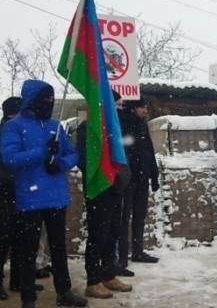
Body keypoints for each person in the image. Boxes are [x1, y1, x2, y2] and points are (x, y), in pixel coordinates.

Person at [0, 80, 87, 308]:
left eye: (51, 98)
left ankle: (64, 291)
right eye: (44, 98)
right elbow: (10, 158)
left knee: (59, 249)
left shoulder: (55, 126)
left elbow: (73, 154)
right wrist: (43, 151)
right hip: (29, 198)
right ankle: (28, 298)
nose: (49, 103)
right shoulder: (14, 126)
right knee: (28, 251)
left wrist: (59, 164)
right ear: (31, 99)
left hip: (57, 197)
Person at [77, 90, 132, 298]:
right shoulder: (88, 129)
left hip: (117, 190)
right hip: (99, 190)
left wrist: (124, 178)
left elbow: (123, 158)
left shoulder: (116, 130)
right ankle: (93, 281)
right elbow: (83, 160)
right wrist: (103, 176)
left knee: (113, 234)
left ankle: (109, 275)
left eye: (121, 106)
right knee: (97, 236)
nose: (120, 109)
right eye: (117, 105)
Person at [0, 97, 44, 300]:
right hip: (6, 194)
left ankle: (18, 279)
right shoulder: (4, 133)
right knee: (3, 240)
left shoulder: (21, 133)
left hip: (23, 193)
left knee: (22, 240)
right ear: (11, 114)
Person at [117, 94, 159, 275]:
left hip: (143, 177)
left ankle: (138, 251)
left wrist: (154, 174)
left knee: (139, 216)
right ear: (133, 108)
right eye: (142, 107)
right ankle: (122, 256)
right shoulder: (123, 123)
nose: (145, 110)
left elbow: (149, 149)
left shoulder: (142, 124)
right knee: (124, 218)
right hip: (128, 179)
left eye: (146, 107)